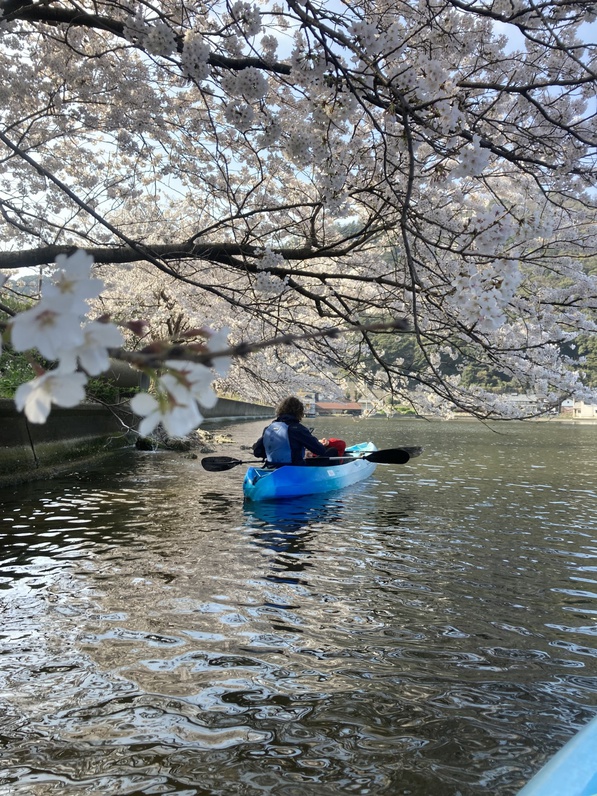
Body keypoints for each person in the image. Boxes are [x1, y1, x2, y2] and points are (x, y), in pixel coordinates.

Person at [252, 397, 330, 466]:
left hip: (271, 466)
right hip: (294, 469)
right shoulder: (298, 429)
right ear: (299, 412)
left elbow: (257, 452)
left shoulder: (269, 428)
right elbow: (320, 450)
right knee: (332, 451)